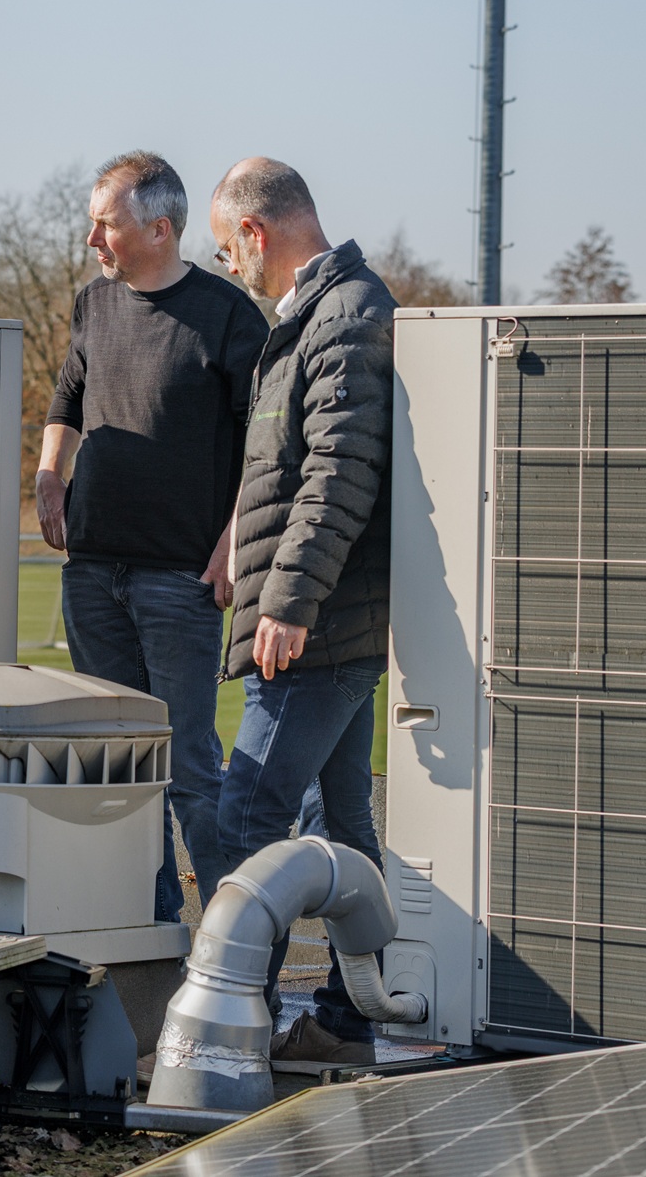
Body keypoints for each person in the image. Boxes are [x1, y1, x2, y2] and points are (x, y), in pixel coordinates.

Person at [37, 151, 268, 923]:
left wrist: (235, 537)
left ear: (161, 229)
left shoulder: (231, 317)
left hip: (180, 582)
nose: (92, 239)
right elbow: (67, 395)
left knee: (192, 771)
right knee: (116, 770)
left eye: (106, 223)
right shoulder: (91, 305)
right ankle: (150, 935)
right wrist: (47, 474)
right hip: (93, 574)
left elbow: (264, 445)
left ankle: (239, 952)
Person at [207, 156, 396, 1070]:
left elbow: (338, 473)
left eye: (226, 249)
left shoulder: (347, 315)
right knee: (343, 831)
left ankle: (232, 1026)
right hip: (327, 622)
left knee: (246, 820)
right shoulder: (315, 319)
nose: (228, 269)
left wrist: (285, 600)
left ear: (257, 232)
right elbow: (284, 473)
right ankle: (350, 1020)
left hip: (315, 629)